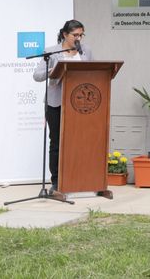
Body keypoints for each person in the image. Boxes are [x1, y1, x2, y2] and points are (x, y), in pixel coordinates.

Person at [33, 20, 93, 194]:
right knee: (57, 143)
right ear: (65, 34)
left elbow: (93, 71)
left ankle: (78, 178)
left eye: (81, 35)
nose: (78, 38)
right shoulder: (52, 52)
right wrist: (52, 70)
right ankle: (57, 181)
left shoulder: (86, 51)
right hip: (56, 103)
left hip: (80, 104)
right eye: (75, 35)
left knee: (79, 141)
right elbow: (37, 76)